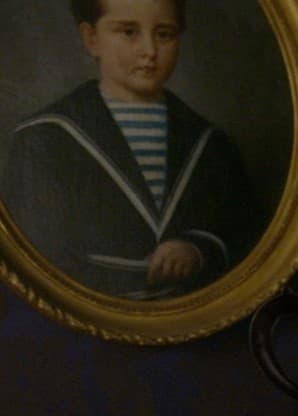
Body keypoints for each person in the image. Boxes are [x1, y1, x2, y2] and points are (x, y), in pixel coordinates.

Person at [0, 0, 259, 299]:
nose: (149, 51)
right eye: (129, 32)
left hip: (192, 314)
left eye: (164, 34)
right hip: (82, 315)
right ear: (91, 38)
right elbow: (36, 254)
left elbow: (243, 235)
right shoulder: (45, 138)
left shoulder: (210, 143)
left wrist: (197, 250)